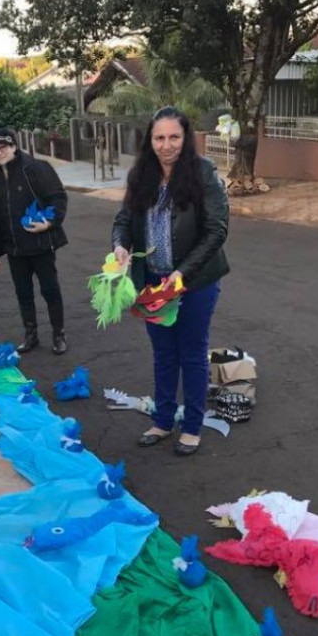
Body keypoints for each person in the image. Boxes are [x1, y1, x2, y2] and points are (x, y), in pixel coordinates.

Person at [112, 105, 230, 456]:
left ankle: (192, 426)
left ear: (186, 138)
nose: (167, 145)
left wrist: (182, 273)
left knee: (192, 353)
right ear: (150, 140)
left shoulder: (203, 172)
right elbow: (123, 220)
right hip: (153, 283)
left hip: (193, 282)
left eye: (174, 137)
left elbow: (216, 230)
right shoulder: (141, 175)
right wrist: (120, 246)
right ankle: (163, 420)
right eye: (159, 138)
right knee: (164, 354)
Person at [0, 127, 69, 355]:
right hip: (15, 249)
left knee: (50, 290)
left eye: (3, 147)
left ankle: (58, 334)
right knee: (23, 293)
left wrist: (49, 223)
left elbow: (58, 197)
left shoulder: (36, 168)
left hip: (40, 245)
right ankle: (30, 335)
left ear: (13, 146)